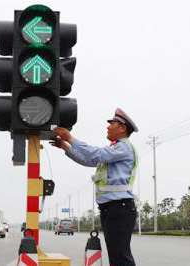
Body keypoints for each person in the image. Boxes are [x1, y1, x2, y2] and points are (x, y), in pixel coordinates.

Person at [50, 108, 138, 266]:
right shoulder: (115, 148)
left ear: (122, 128)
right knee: (117, 256)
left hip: (120, 208)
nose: (108, 126)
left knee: (120, 257)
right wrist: (65, 146)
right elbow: (89, 160)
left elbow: (95, 154)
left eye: (112, 123)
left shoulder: (123, 147)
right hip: (112, 209)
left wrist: (70, 138)